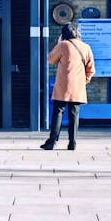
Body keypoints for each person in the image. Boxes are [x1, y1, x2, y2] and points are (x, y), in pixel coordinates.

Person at [41, 22, 95, 151]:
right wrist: (83, 81)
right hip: (78, 87)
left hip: (63, 87)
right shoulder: (86, 47)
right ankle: (72, 143)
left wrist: (59, 42)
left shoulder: (63, 45)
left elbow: (50, 59)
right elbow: (91, 69)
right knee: (74, 115)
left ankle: (51, 142)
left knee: (58, 113)